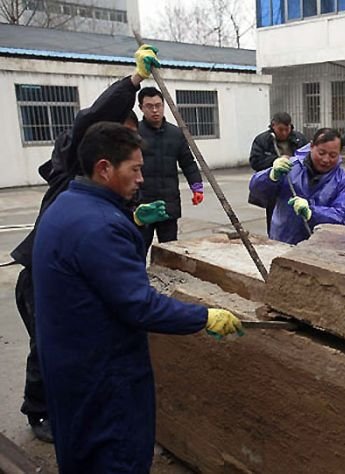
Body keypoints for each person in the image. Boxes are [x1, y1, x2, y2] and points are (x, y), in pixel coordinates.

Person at [32, 121, 244, 472]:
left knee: (81, 453)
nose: (141, 178)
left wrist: (130, 221)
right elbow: (139, 305)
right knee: (118, 456)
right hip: (103, 372)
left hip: (68, 365)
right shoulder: (99, 226)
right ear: (104, 169)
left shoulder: (67, 204)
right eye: (135, 169)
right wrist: (203, 316)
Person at [9, 44, 164, 443]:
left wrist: (134, 219)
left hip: (68, 273)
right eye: (122, 144)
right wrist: (134, 81)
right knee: (47, 345)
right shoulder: (72, 170)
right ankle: (39, 411)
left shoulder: (108, 193)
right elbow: (92, 117)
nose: (131, 157)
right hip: (40, 276)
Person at [248, 128, 345, 245]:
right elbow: (256, 191)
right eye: (321, 153)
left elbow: (344, 216)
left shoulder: (344, 182)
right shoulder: (290, 168)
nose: (326, 159)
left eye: (333, 155)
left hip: (322, 249)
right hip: (281, 243)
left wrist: (312, 212)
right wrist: (270, 176)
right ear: (311, 146)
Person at [137, 86, 204, 251]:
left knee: (170, 249)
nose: (155, 110)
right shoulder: (134, 133)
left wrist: (197, 187)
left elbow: (188, 162)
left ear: (163, 105)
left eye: (158, 105)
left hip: (168, 202)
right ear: (141, 108)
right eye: (149, 106)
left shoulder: (176, 133)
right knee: (138, 248)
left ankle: (169, 278)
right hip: (142, 203)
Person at [249, 112, 309, 235]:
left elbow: (308, 158)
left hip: (297, 184)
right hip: (274, 186)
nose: (284, 133)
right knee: (274, 217)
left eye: (287, 129)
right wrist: (275, 162)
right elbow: (255, 161)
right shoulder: (262, 140)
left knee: (298, 216)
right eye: (280, 129)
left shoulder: (299, 139)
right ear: (273, 125)